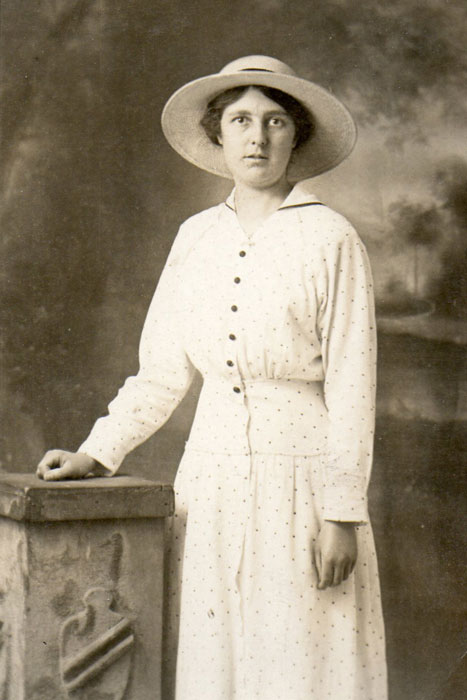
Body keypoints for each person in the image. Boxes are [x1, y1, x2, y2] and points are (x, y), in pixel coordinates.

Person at [37, 55, 387, 699]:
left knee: (300, 658)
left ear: (297, 135)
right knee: (217, 658)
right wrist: (96, 452)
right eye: (241, 120)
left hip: (303, 484)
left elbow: (353, 384)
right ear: (217, 134)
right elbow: (160, 372)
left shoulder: (331, 238)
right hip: (210, 482)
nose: (258, 137)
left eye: (276, 121)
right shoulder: (195, 237)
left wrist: (341, 514)